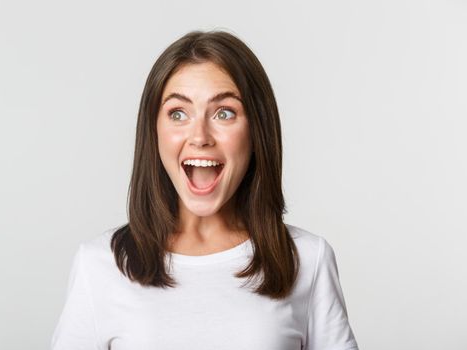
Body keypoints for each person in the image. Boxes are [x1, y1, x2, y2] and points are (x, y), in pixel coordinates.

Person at [51, 29, 359, 350]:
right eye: (178, 114)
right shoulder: (99, 264)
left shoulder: (308, 259)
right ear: (153, 130)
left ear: (256, 130)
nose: (200, 136)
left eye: (224, 113)